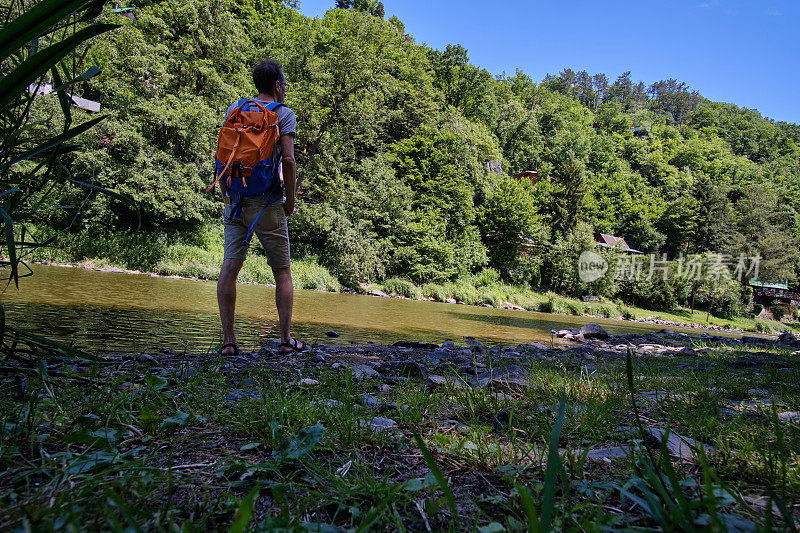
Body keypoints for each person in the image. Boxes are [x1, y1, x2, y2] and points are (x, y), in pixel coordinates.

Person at [216, 58, 308, 356]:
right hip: (269, 203)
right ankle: (284, 340)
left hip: (236, 200)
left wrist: (225, 192)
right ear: (278, 85)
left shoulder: (235, 109)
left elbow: (223, 154)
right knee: (281, 272)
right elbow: (290, 161)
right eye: (285, 85)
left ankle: (229, 342)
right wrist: (290, 200)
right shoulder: (284, 114)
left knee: (230, 267)